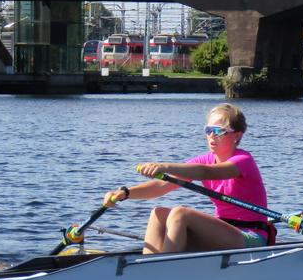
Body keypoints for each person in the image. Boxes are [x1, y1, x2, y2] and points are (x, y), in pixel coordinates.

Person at [103, 103, 274, 254]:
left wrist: (163, 166)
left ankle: (164, 270)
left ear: (237, 135)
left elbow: (207, 172)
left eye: (219, 131)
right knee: (158, 213)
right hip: (223, 232)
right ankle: (148, 265)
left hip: (250, 237)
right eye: (208, 130)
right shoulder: (203, 160)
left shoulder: (243, 160)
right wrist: (125, 193)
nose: (211, 136)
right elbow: (162, 185)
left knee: (181, 213)